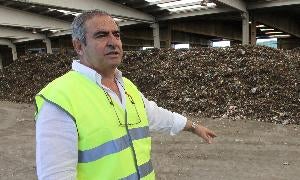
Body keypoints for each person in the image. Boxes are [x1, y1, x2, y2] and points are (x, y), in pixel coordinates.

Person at [35, 10, 216, 180]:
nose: (113, 42)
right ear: (79, 46)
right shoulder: (60, 99)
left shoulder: (125, 85)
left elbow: (153, 114)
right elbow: (56, 175)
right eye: (102, 35)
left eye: (117, 34)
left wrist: (192, 126)